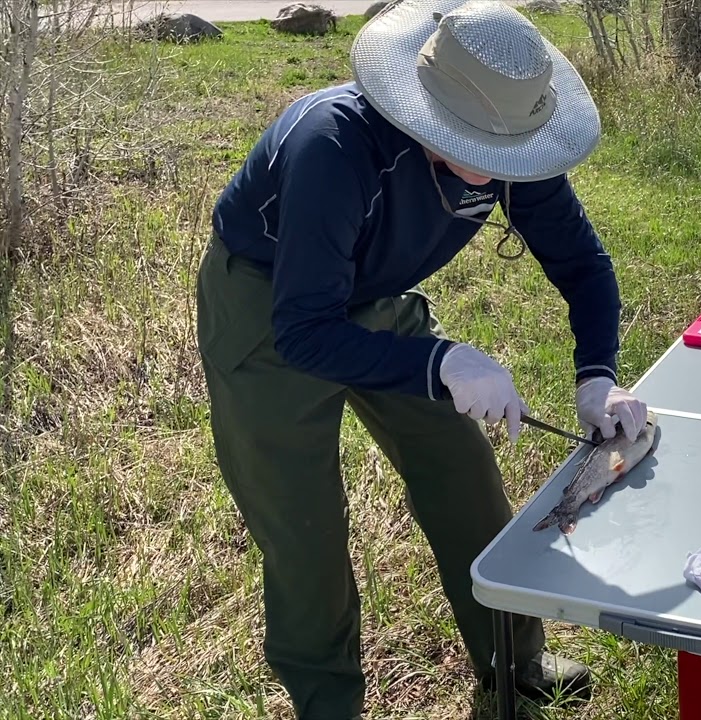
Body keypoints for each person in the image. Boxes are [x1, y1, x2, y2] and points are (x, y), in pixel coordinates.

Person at [194, 0, 647, 716]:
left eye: (508, 155)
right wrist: (440, 362)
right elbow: (304, 330)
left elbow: (584, 266)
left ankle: (514, 664)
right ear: (426, 111)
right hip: (269, 307)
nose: (498, 173)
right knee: (304, 528)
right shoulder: (332, 147)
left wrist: (598, 377)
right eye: (479, 149)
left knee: (463, 473)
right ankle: (328, 702)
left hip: (374, 296)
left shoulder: (510, 142)